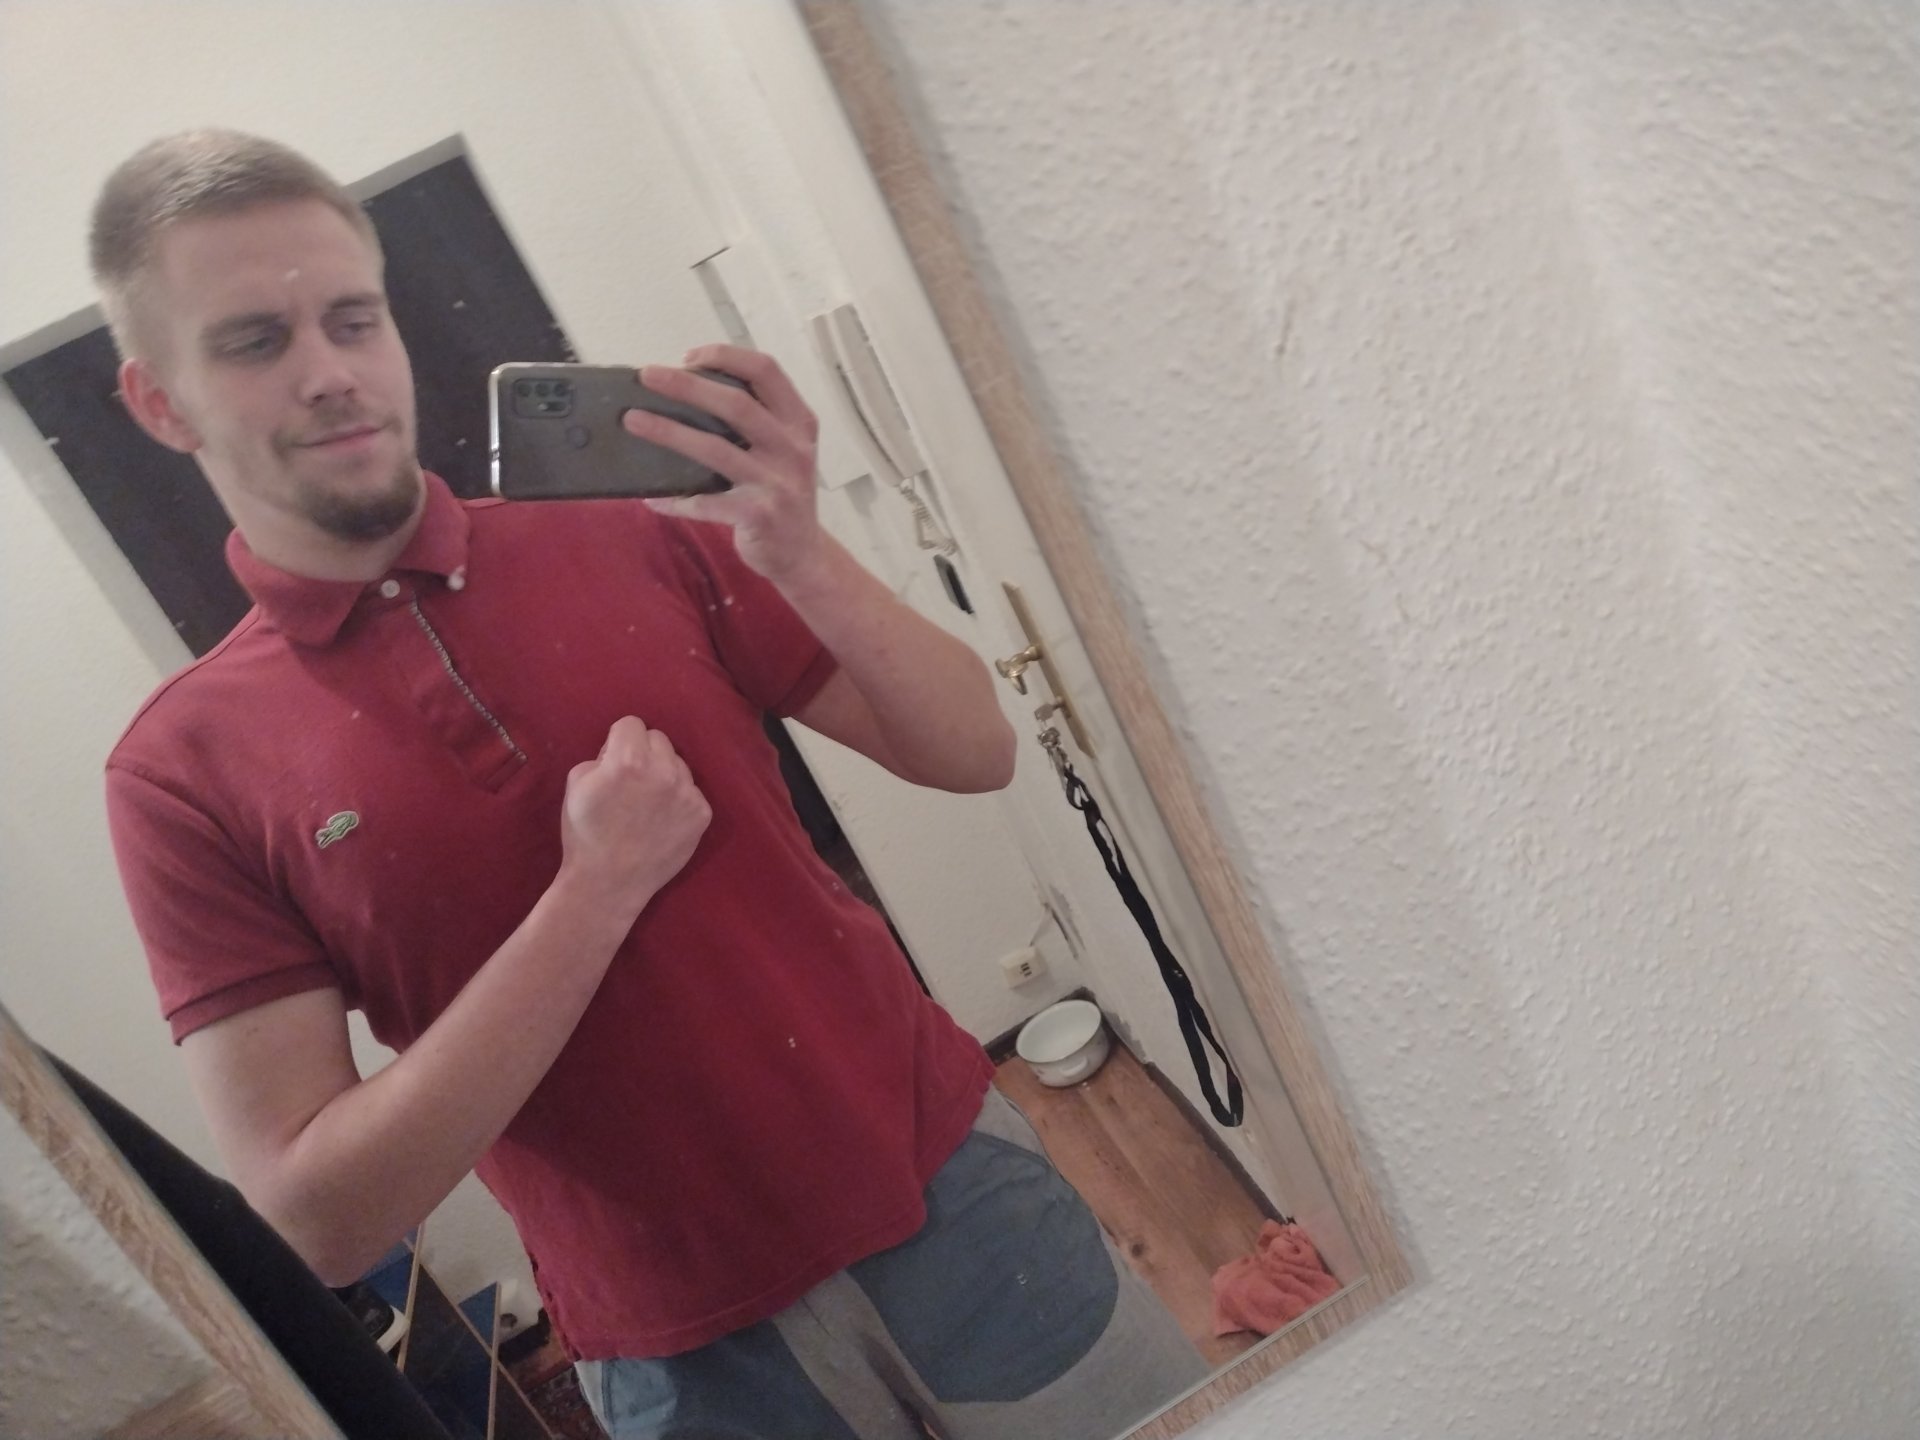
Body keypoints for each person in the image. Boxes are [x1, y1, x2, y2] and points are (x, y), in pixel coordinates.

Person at [92, 131, 1208, 1439]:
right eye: (253, 340)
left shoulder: (629, 526)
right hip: (678, 1360)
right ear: (159, 403)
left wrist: (800, 549)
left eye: (353, 318)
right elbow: (321, 1221)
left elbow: (976, 752)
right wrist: (596, 892)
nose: (331, 371)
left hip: (957, 1194)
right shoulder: (178, 771)